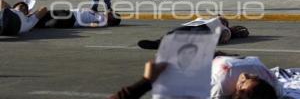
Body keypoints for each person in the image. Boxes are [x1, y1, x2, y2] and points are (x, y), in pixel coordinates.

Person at [108, 56, 281, 99]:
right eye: (250, 77)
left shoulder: (220, 86)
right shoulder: (272, 83)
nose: (243, 76)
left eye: (243, 83)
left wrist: (146, 82)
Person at [35, 9, 121, 28]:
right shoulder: (100, 14)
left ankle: (31, 24)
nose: (110, 12)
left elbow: (92, 25)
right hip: (70, 13)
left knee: (49, 21)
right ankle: (30, 20)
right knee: (47, 14)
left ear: (112, 19)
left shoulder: (103, 21)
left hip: (72, 19)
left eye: (112, 14)